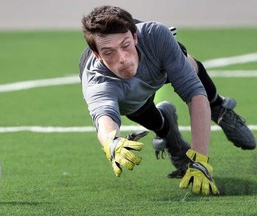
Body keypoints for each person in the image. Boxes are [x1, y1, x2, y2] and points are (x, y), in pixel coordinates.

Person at [79, 5, 256, 195]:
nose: (122, 58)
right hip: (127, 95)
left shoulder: (156, 36)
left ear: (135, 37)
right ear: (97, 55)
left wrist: (200, 161)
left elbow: (194, 93)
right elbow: (104, 118)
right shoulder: (98, 82)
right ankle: (172, 139)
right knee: (157, 123)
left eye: (125, 45)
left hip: (158, 63)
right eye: (108, 52)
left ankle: (219, 108)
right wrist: (111, 143)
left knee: (186, 62)